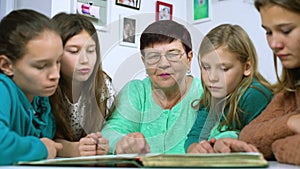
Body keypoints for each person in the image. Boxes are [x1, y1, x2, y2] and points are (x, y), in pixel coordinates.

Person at [102, 20, 203, 154]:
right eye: (153, 56)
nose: (163, 64)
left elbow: (224, 132)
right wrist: (121, 143)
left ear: (189, 58)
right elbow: (111, 132)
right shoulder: (136, 91)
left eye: (172, 54)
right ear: (144, 61)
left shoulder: (205, 92)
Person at [185, 24, 273, 154]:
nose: (212, 77)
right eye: (206, 67)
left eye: (224, 69)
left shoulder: (254, 95)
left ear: (247, 67)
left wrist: (219, 142)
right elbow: (194, 136)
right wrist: (194, 148)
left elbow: (260, 140)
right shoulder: (211, 96)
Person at [239, 0, 300, 165]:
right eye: (268, 32)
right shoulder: (291, 90)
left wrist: (276, 146)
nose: (273, 44)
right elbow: (248, 137)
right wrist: (290, 123)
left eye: (286, 31)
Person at [0, 9, 63, 165]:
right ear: (6, 65)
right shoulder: (3, 88)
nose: (56, 75)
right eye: (42, 66)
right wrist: (41, 149)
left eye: (58, 61)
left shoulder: (39, 96)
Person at [50, 13, 115, 157]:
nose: (85, 60)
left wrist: (101, 144)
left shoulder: (103, 86)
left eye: (91, 50)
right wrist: (71, 149)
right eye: (74, 51)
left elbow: (111, 130)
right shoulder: (45, 87)